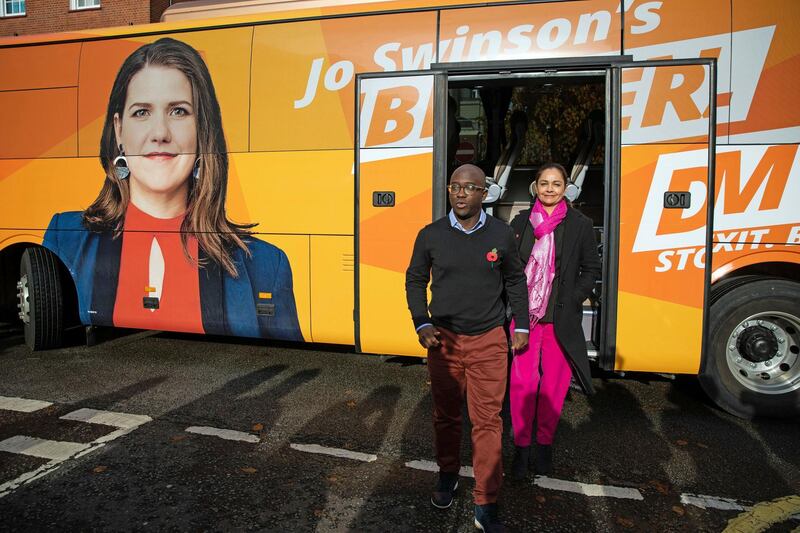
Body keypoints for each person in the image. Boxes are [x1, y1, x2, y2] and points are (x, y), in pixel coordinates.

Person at [43, 38, 302, 341]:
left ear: (201, 130)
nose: (160, 133)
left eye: (178, 111)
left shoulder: (266, 265)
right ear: (119, 130)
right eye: (142, 112)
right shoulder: (65, 237)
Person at [405, 164, 529, 533]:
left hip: (489, 341)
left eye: (470, 187)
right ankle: (447, 474)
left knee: (488, 422)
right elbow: (414, 280)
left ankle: (486, 501)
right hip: (444, 341)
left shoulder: (501, 234)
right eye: (455, 187)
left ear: (484, 193)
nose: (460, 193)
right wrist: (421, 321)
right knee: (446, 416)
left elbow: (515, 280)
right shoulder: (430, 235)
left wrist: (520, 324)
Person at [507, 162, 600, 479]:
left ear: (565, 189)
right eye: (544, 183)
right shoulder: (521, 222)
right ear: (535, 187)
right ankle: (521, 449)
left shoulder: (580, 224)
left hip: (561, 319)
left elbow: (591, 269)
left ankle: (543, 446)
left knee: (553, 386)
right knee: (522, 384)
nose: (549, 189)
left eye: (556, 184)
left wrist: (575, 297)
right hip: (526, 319)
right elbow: (510, 268)